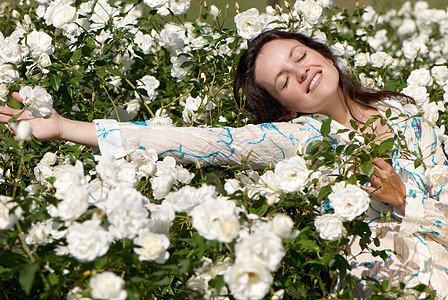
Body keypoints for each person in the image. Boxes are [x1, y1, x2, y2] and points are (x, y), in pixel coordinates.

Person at [1, 29, 447, 298]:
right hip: (392, 283)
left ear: (322, 54)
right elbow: (205, 142)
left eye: (300, 57)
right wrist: (66, 128)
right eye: (284, 81)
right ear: (285, 106)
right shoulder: (300, 138)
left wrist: (408, 202)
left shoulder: (402, 109)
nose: (302, 72)